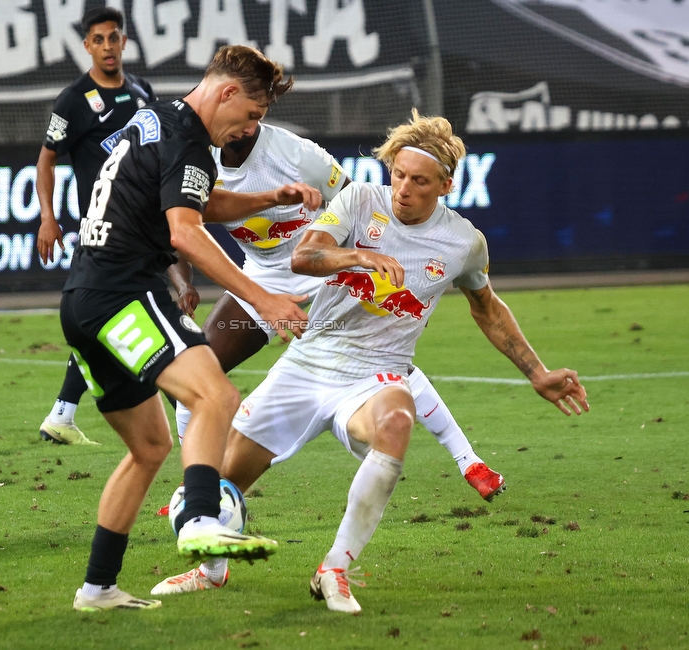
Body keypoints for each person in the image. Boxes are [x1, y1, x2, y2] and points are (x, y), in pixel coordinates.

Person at [152, 110, 590, 613]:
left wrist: (538, 373)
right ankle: (211, 573)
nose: (403, 188)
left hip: (374, 374)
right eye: (398, 174)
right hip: (308, 364)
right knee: (223, 481)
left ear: (446, 185)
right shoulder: (360, 200)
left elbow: (487, 308)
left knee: (397, 418)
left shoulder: (464, 243)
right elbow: (304, 257)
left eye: (419, 181)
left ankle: (334, 568)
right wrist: (357, 257)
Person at [61, 44, 323, 612]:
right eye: (252, 114)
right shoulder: (191, 141)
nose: (248, 128)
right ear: (227, 91)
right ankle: (202, 519)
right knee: (216, 395)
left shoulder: (155, 120)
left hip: (82, 300)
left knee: (151, 447)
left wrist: (265, 199)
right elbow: (184, 230)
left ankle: (97, 587)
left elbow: (198, 200)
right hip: (123, 293)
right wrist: (263, 298)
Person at [171, 122, 506, 507]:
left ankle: (469, 460)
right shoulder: (200, 161)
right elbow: (180, 221)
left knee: (385, 355)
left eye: (253, 110)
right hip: (266, 277)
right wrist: (183, 283)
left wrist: (382, 274)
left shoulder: (296, 153)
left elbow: (356, 201)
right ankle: (196, 489)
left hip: (328, 264)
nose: (239, 123)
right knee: (197, 371)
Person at [35, 6, 196, 446]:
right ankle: (188, 410)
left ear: (124, 41)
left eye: (114, 37)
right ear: (87, 45)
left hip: (143, 222)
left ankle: (62, 415)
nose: (108, 46)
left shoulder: (144, 91)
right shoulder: (73, 101)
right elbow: (46, 159)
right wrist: (49, 218)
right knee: (120, 314)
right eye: (98, 39)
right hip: (102, 230)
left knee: (108, 318)